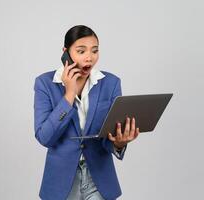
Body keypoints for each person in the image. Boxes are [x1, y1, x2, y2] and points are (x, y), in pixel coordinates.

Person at [34, 25, 140, 200]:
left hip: (98, 176)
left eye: (95, 51)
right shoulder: (45, 84)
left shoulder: (111, 83)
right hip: (62, 180)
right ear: (65, 52)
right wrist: (68, 95)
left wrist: (119, 143)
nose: (89, 58)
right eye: (81, 51)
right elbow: (45, 137)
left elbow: (108, 136)